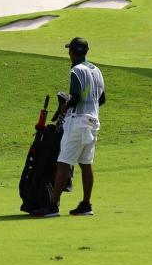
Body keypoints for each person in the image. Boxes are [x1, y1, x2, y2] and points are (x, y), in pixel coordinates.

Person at [33, 37, 106, 218]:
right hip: (93, 121)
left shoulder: (76, 70)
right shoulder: (96, 70)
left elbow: (75, 98)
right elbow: (101, 99)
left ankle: (52, 206)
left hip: (78, 121)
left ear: (73, 52)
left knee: (64, 161)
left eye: (69, 51)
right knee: (86, 163)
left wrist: (65, 105)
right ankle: (86, 204)